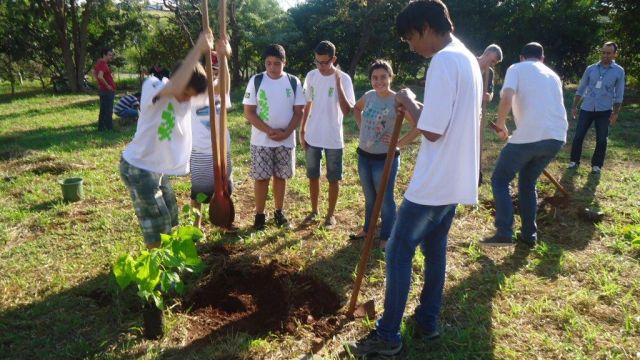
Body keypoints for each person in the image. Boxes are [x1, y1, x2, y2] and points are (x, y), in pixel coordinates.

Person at [346, 0, 482, 356]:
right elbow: (447, 120)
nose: (410, 45)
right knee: (435, 250)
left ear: (424, 27)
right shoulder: (468, 58)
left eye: (409, 38)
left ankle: (388, 335)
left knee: (396, 249)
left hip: (434, 181)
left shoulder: (443, 61)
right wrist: (416, 106)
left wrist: (407, 100)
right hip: (456, 177)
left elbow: (432, 130)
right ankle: (427, 320)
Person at [119, 31, 213, 249]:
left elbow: (221, 90)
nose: (189, 99)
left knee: (172, 215)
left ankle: (170, 261)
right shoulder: (153, 85)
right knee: (157, 221)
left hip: (157, 169)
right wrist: (197, 50)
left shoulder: (185, 99)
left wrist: (223, 56)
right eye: (188, 93)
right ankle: (159, 274)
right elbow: (177, 86)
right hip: (138, 167)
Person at [480, 42, 568, 247]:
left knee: (500, 180)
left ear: (521, 57)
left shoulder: (516, 68)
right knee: (528, 182)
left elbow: (507, 97)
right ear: (542, 59)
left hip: (530, 136)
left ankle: (504, 232)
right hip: (556, 138)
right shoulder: (553, 75)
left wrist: (501, 123)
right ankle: (529, 235)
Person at [350, 59, 418, 250]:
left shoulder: (398, 100)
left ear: (390, 77)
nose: (378, 81)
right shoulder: (369, 96)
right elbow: (356, 108)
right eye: (374, 77)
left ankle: (387, 235)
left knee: (385, 199)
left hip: (385, 159)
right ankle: (367, 229)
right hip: (364, 156)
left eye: (383, 77)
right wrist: (361, 126)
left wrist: (398, 143)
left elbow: (417, 126)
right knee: (370, 197)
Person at [243, 44, 306, 230]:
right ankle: (260, 215)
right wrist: (268, 130)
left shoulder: (293, 82)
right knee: (261, 178)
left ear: (284, 63)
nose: (272, 67)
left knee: (281, 177)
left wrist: (286, 132)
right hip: (261, 140)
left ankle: (279, 212)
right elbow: (249, 112)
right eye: (268, 63)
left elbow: (299, 111)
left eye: (277, 63)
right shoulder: (256, 80)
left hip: (285, 140)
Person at [299, 40, 356, 227]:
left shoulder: (345, 79)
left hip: (333, 138)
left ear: (334, 59)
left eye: (325, 62)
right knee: (312, 175)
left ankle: (330, 215)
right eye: (317, 61)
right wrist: (302, 129)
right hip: (312, 135)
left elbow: (347, 110)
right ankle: (314, 210)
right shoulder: (311, 76)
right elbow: (308, 103)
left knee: (333, 177)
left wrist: (338, 83)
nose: (321, 66)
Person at [190, 45, 233, 229]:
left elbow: (224, 86)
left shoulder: (220, 91)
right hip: (201, 151)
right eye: (210, 71)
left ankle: (225, 220)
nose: (214, 75)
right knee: (199, 193)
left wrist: (224, 59)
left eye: (216, 72)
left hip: (223, 150)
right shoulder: (193, 93)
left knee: (225, 187)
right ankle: (196, 225)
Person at [568, 41, 625, 173]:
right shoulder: (591, 68)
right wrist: (574, 106)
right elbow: (581, 88)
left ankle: (596, 165)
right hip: (587, 107)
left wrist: (615, 113)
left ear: (615, 54)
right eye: (603, 52)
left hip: (604, 110)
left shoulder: (619, 71)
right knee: (578, 136)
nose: (605, 55)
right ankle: (574, 161)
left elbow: (620, 94)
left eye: (608, 53)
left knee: (601, 139)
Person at [477, 44, 503, 184]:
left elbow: (491, 93)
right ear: (486, 53)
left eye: (495, 63)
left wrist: (489, 96)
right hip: (464, 109)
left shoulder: (490, 73)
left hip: (479, 111)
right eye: (492, 60)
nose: (492, 64)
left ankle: (476, 172)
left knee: (477, 142)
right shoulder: (470, 64)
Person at [95, 48, 116, 131]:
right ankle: (109, 129)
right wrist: (107, 86)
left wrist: (100, 83)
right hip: (107, 91)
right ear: (104, 55)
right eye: (109, 55)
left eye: (112, 55)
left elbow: (94, 73)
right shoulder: (103, 63)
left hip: (103, 90)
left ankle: (101, 128)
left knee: (103, 110)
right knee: (108, 110)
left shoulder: (99, 62)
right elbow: (100, 76)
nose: (111, 57)